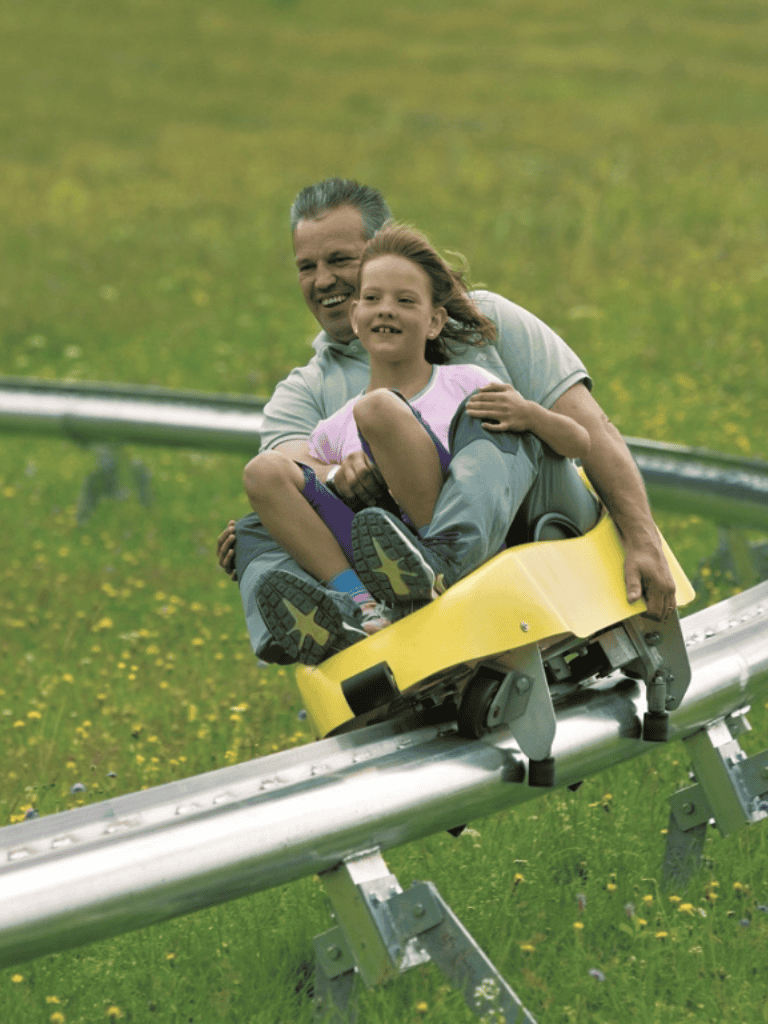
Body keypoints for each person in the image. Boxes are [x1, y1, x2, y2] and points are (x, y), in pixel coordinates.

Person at [217, 178, 676, 665]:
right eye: (307, 267)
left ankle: (444, 563)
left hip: (533, 517)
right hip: (399, 546)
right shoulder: (305, 391)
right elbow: (290, 466)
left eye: (339, 260)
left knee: (491, 419)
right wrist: (338, 476)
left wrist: (643, 540)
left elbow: (591, 430)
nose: (323, 280)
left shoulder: (484, 322)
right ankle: (329, 624)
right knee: (253, 531)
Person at [242, 223, 591, 664]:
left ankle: (436, 566)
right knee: (263, 474)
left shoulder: (465, 382)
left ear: (434, 322)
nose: (385, 310)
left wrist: (531, 415)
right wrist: (336, 478)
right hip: (382, 564)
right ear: (354, 317)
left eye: (404, 301)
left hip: (466, 544)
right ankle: (352, 608)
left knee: (379, 411)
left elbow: (580, 442)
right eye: (372, 299)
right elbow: (308, 496)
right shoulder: (333, 429)